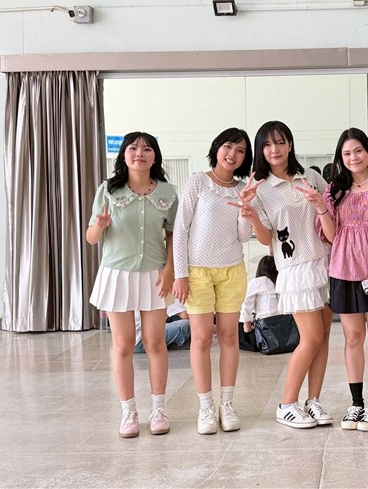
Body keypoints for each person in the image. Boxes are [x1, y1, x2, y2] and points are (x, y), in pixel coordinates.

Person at [231, 121, 333, 429]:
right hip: (295, 268)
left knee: (323, 337)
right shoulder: (260, 189)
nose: (274, 149)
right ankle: (286, 404)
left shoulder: (311, 177)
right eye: (267, 144)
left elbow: (331, 215)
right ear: (260, 150)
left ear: (290, 144)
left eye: (280, 142)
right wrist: (250, 215)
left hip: (325, 261)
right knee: (311, 338)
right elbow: (266, 238)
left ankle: (313, 401)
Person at [308, 128, 368, 432]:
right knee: (352, 338)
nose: (353, 157)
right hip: (344, 269)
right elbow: (332, 236)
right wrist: (321, 207)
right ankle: (356, 403)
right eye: (347, 153)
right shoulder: (335, 191)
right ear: (341, 157)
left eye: (358, 150)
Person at [87, 132, 178, 438]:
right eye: (134, 148)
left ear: (155, 156)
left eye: (147, 148)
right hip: (117, 273)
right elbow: (91, 238)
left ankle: (158, 409)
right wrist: (99, 226)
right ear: (124, 155)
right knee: (124, 344)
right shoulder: (108, 190)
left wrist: (170, 269)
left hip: (155, 274)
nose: (140, 153)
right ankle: (128, 412)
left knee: (155, 342)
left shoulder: (167, 192)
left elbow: (173, 235)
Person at [172, 128, 253, 434]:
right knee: (202, 338)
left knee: (230, 337)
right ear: (217, 148)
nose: (232, 154)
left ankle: (227, 404)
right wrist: (181, 274)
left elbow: (243, 236)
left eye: (240, 151)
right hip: (197, 272)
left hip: (232, 270)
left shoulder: (243, 189)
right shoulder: (198, 181)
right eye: (228, 147)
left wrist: (246, 209)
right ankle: (205, 407)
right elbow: (181, 229)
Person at [240, 255, 281, 333]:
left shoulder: (256, 282)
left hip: (265, 323)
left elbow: (247, 303)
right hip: (286, 322)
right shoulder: (281, 281)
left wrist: (246, 324)